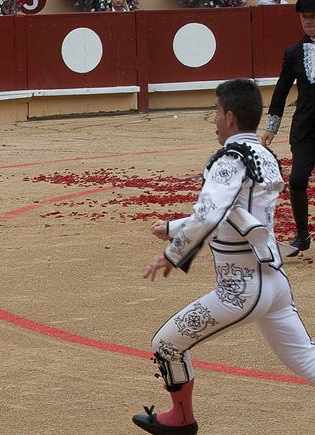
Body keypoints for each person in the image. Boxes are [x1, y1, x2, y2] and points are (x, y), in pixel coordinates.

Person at [132, 78, 315, 435]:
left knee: (166, 344)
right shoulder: (264, 154)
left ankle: (181, 420)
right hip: (274, 282)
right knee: (308, 359)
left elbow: (214, 211)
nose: (213, 118)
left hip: (239, 289)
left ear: (230, 116)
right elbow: (235, 212)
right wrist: (174, 226)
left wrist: (172, 253)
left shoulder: (229, 159)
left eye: (216, 111)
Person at [260, 0, 314, 256]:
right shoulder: (293, 52)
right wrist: (272, 126)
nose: (309, 22)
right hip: (305, 129)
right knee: (298, 180)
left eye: (313, 17)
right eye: (305, 17)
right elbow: (281, 90)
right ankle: (302, 235)